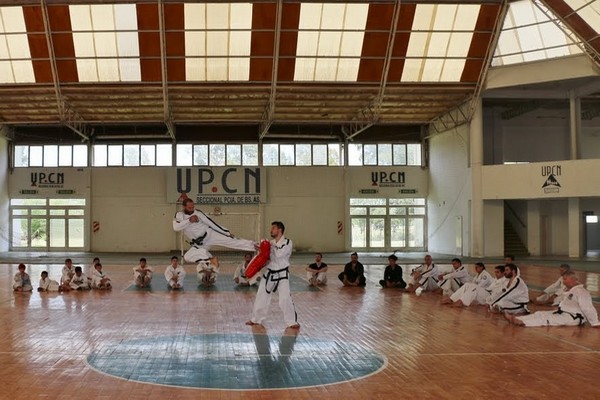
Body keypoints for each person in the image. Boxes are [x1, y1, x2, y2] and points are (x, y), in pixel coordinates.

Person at [172, 198, 255, 279]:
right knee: (187, 257)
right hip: (200, 243)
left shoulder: (198, 213)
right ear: (183, 207)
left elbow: (212, 223)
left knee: (232, 241)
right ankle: (211, 261)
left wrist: (227, 233)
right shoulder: (179, 215)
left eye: (193, 207)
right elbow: (176, 227)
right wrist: (189, 220)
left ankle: (255, 245)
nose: (192, 209)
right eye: (189, 208)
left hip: (210, 235)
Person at [246, 221, 299, 329]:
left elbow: (279, 254)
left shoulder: (288, 242)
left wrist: (266, 248)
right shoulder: (270, 243)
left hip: (282, 273)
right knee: (261, 296)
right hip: (270, 273)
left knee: (284, 298)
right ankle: (256, 319)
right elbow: (266, 258)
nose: (271, 230)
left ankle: (291, 321)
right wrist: (260, 254)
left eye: (273, 228)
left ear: (280, 230)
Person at [505, 271, 599, 328]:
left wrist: (595, 323)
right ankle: (517, 318)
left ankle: (523, 322)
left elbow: (588, 308)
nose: (563, 281)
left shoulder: (581, 292)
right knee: (540, 313)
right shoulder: (568, 290)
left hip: (573, 317)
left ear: (574, 280)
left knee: (547, 318)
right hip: (563, 313)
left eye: (565, 279)